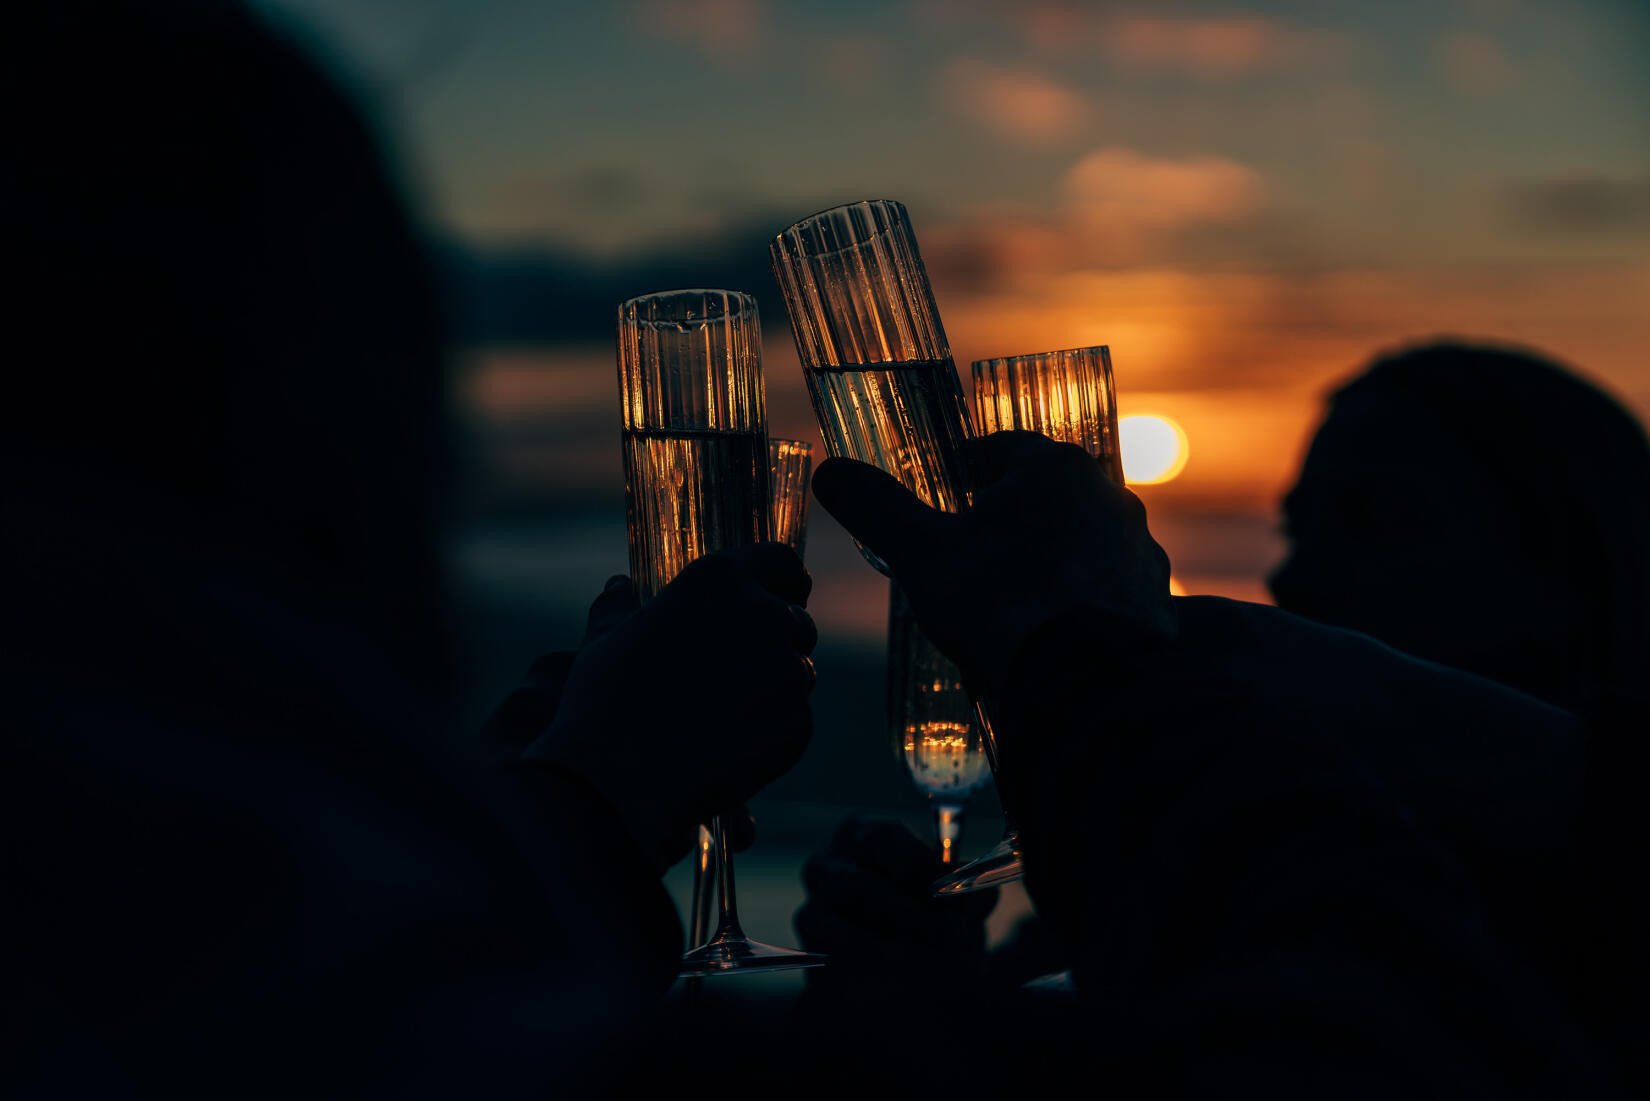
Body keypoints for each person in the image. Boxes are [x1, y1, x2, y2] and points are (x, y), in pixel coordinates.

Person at [9, 3, 815, 1094]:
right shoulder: (199, 921)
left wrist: (552, 798)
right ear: (300, 421)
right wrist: (1079, 661)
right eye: (414, 396)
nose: (461, 464)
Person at [797, 430, 1636, 1095]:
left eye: (1382, 520)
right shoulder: (1160, 909)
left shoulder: (1557, 972)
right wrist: (947, 1007)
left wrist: (1084, 669)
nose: (1293, 571)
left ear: (1574, 572)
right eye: (1297, 526)